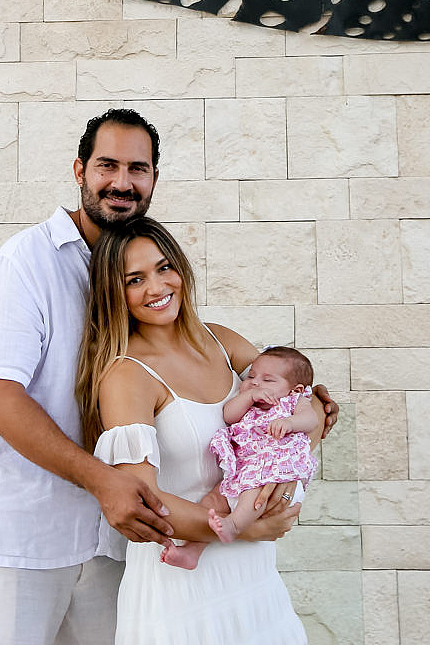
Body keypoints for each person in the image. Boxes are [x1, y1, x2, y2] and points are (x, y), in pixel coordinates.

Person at [0, 109, 334, 644]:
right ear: (80, 170)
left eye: (137, 169)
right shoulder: (25, 264)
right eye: (107, 166)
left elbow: (262, 381)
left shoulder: (170, 308)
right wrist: (107, 481)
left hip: (112, 545)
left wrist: (308, 406)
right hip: (15, 533)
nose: (122, 182)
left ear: (152, 180)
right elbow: (1, 403)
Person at [76, 217, 313, 644]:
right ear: (114, 293)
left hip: (254, 577)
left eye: (165, 267)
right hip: (179, 592)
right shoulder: (127, 375)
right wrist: (247, 527)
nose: (156, 287)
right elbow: (140, 504)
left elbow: (301, 400)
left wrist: (273, 494)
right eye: (134, 279)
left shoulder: (222, 342)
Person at [158, 346, 322, 570]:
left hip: (273, 470)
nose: (255, 383)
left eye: (267, 380)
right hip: (244, 472)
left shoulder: (294, 402)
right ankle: (191, 552)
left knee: (252, 494)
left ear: (295, 389)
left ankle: (234, 525)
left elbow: (311, 420)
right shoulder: (248, 401)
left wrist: (290, 423)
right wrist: (249, 396)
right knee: (212, 502)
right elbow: (229, 415)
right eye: (252, 376)